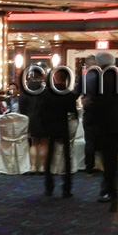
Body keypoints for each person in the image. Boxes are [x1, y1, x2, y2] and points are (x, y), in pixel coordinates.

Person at [91, 52, 118, 203]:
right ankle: (112, 188)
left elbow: (99, 104)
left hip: (106, 125)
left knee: (108, 159)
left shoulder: (101, 79)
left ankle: (109, 190)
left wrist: (88, 104)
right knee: (113, 157)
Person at [39, 69, 78, 197]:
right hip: (63, 126)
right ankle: (67, 189)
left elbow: (41, 111)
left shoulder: (46, 93)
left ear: (55, 78)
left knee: (49, 158)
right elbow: (73, 112)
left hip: (50, 127)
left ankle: (48, 187)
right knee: (66, 158)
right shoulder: (69, 94)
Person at [78, 55, 100, 175]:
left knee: (90, 141)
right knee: (102, 139)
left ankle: (89, 167)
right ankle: (101, 165)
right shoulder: (104, 77)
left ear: (86, 65)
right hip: (101, 113)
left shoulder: (84, 78)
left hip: (89, 112)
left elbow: (76, 93)